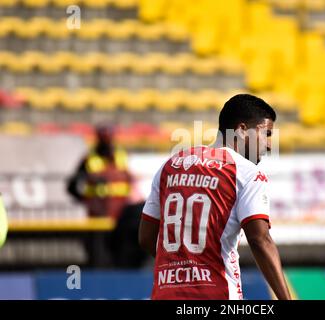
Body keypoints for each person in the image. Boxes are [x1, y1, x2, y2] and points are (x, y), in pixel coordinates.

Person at [139, 94, 291, 300]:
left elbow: (146, 238)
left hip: (166, 293)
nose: (270, 145)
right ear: (242, 130)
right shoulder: (246, 173)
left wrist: (183, 269)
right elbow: (260, 239)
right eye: (267, 134)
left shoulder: (172, 165)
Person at [67, 124, 133, 220]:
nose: (107, 142)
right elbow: (72, 185)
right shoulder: (88, 159)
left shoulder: (122, 157)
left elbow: (130, 181)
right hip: (97, 214)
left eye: (108, 138)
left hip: (120, 214)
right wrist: (87, 202)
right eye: (104, 139)